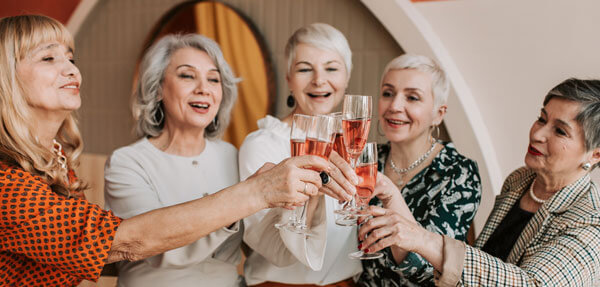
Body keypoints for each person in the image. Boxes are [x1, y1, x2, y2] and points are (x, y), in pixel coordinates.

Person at [0, 14, 331, 287]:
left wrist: (310, 204)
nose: (73, 69)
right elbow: (125, 242)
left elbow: (72, 253)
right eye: (48, 58)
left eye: (71, 58)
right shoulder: (10, 185)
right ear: (157, 89)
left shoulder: (55, 165)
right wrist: (256, 192)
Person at [359, 78, 600, 286]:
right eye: (541, 119)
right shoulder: (520, 180)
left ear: (595, 154)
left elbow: (531, 283)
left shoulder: (591, 222)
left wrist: (422, 239)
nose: (537, 134)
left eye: (560, 131)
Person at [103, 34, 241, 286]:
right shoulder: (127, 162)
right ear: (157, 89)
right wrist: (245, 198)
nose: (204, 88)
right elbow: (155, 246)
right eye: (187, 76)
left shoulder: (231, 155)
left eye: (213, 79)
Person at [238, 23, 361, 286]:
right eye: (305, 69)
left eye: (331, 68)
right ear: (289, 79)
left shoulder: (354, 144)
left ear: (346, 77)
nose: (319, 80)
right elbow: (267, 246)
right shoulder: (262, 144)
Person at [354, 54, 481, 287]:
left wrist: (392, 195)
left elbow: (431, 271)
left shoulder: (458, 173)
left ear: (438, 114)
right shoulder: (369, 159)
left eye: (412, 97)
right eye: (388, 93)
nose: (394, 106)